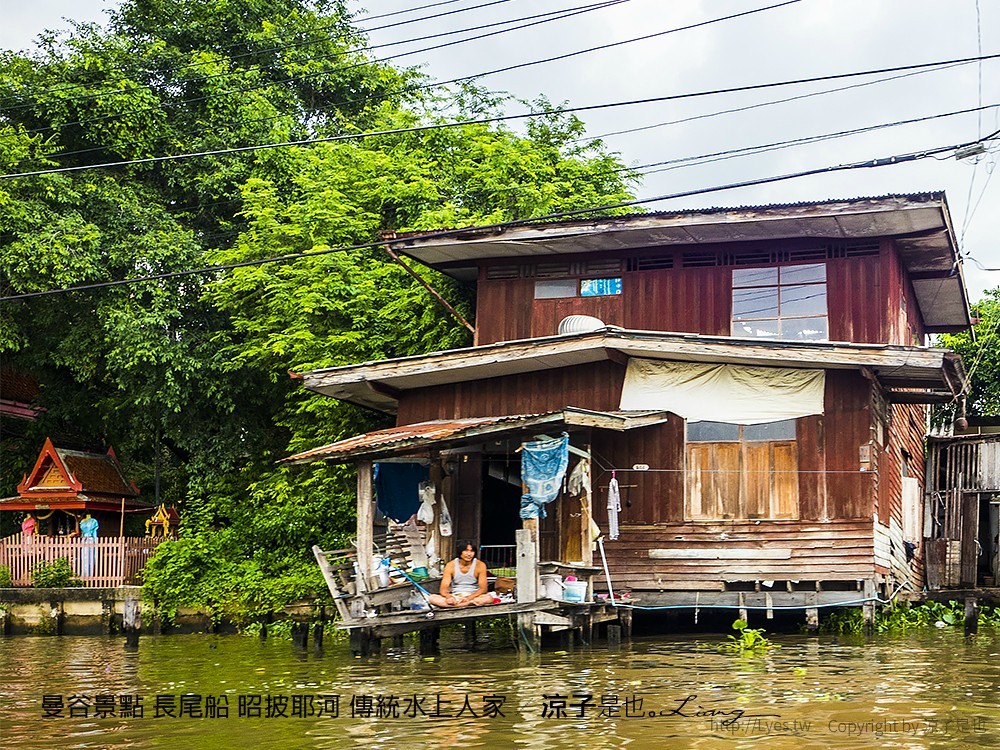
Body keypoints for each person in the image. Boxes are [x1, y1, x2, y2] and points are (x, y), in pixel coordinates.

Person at [427, 541, 494, 608]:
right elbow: (443, 589)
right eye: (466, 551)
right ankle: (468, 605)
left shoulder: (480, 565)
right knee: (432, 598)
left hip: (474, 596)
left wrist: (469, 598)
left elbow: (483, 589)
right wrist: (449, 597)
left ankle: (457, 606)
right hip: (456, 596)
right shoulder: (450, 565)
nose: (469, 554)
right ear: (460, 552)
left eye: (472, 551)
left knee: (488, 598)